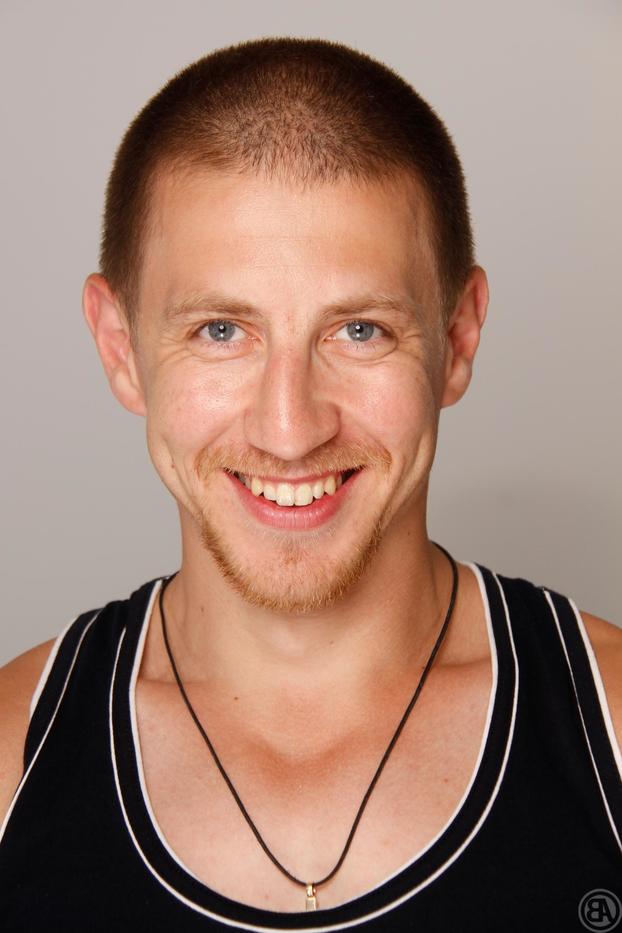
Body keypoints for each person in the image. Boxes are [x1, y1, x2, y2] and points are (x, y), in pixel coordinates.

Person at [0, 36, 620, 931]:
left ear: (457, 338)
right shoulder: (13, 761)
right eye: (221, 331)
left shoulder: (612, 730)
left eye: (360, 330)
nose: (290, 429)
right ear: (119, 347)